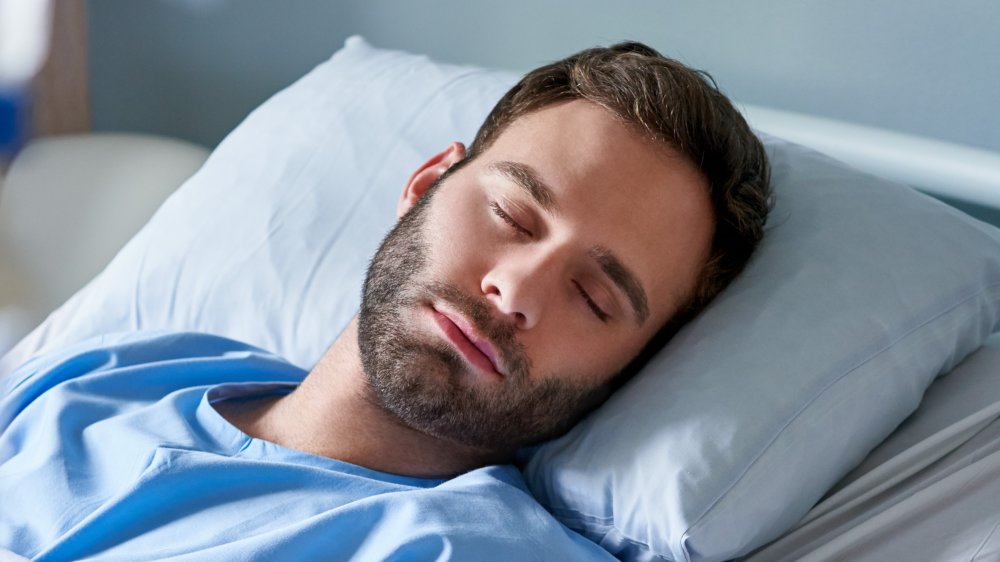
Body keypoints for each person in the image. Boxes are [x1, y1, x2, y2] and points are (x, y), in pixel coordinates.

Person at [0, 42, 770, 560]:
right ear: (426, 184)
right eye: (512, 216)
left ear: (632, 366)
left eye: (595, 298)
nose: (516, 290)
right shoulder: (112, 372)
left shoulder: (459, 549)